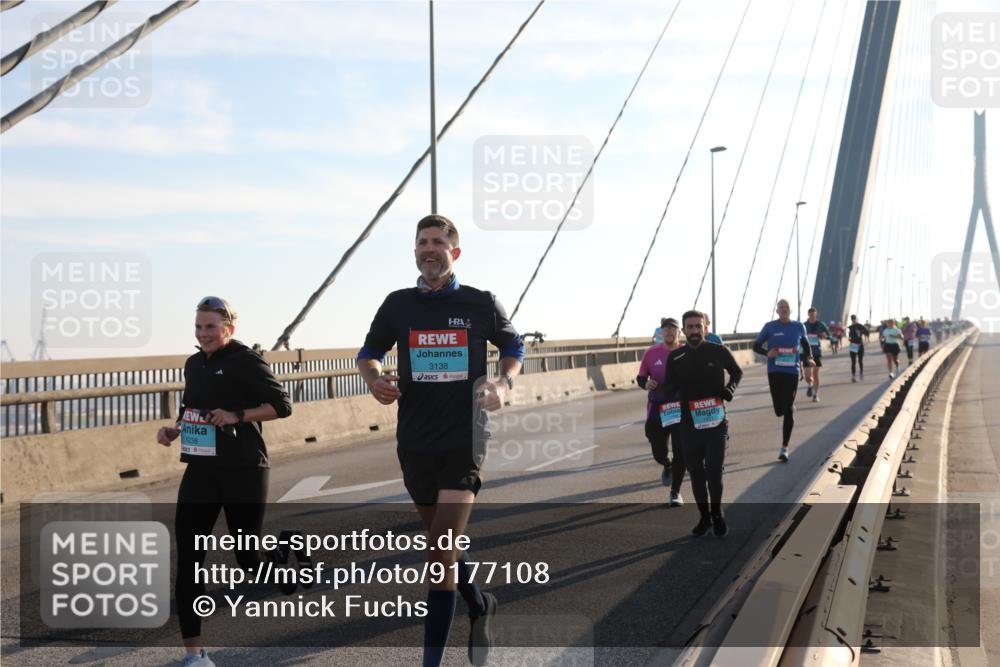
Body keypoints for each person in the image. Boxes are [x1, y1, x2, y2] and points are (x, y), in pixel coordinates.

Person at [356, 214, 524, 667]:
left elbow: (515, 347)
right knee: (442, 542)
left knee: (438, 550)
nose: (430, 249)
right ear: (414, 251)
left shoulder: (480, 302)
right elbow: (368, 354)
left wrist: (503, 384)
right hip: (414, 438)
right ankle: (479, 603)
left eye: (439, 243)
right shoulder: (397, 304)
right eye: (422, 242)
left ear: (455, 253)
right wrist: (375, 380)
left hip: (464, 440)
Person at [156, 297, 294, 667]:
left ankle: (281, 556)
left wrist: (237, 415)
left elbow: (283, 405)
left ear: (229, 328)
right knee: (190, 559)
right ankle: (194, 654)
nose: (204, 334)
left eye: (211, 327)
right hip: (200, 471)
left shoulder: (246, 360)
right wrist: (175, 429)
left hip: (244, 469)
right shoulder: (193, 364)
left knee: (248, 559)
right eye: (199, 328)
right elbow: (192, 409)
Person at [663, 310, 742, 537]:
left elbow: (737, 372)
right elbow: (668, 387)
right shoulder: (676, 357)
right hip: (689, 425)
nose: (695, 331)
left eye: (699, 326)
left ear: (705, 328)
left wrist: (730, 389)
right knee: (696, 473)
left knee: (714, 471)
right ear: (684, 331)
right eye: (690, 327)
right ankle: (704, 517)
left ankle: (717, 514)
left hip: (716, 423)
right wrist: (663, 385)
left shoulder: (718, 351)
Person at [752, 299, 815, 462]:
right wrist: (767, 352)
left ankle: (784, 447)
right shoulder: (769, 327)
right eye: (781, 307)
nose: (784, 309)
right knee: (779, 410)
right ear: (777, 311)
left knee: (787, 409)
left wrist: (809, 358)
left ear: (790, 310)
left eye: (787, 307)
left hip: (792, 371)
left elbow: (806, 344)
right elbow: (756, 346)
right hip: (774, 371)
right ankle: (787, 405)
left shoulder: (798, 326)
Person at [637, 317, 686, 506]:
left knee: (681, 451)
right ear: (661, 333)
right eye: (665, 329)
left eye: (673, 329)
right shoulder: (651, 353)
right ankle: (667, 464)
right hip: (657, 408)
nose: (669, 332)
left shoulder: (685, 352)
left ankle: (675, 492)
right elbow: (641, 377)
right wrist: (646, 383)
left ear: (678, 332)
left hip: (680, 408)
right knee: (658, 450)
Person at [803, 308, 831, 403]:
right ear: (808, 314)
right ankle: (810, 386)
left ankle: (815, 394)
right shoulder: (804, 325)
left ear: (816, 314)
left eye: (813, 315)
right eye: (810, 315)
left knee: (815, 373)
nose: (812, 316)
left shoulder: (820, 325)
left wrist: (825, 336)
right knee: (807, 376)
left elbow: (829, 335)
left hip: (816, 352)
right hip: (806, 353)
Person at [847, 314, 867, 382]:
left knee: (860, 360)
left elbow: (866, 332)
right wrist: (849, 338)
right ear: (851, 320)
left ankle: (861, 373)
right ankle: (853, 376)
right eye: (852, 319)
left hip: (860, 345)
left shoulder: (860, 326)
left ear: (856, 319)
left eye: (854, 318)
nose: (853, 320)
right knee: (853, 361)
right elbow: (849, 335)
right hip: (853, 345)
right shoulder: (850, 327)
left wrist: (862, 331)